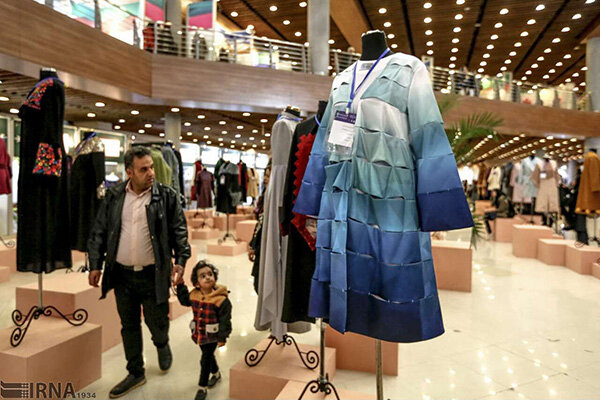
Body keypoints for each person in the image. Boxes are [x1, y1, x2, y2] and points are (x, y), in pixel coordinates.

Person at [88, 146, 190, 398]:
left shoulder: (166, 196)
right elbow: (99, 230)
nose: (151, 173)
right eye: (144, 169)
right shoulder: (114, 196)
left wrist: (181, 260)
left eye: (152, 167)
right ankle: (135, 371)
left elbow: (179, 231)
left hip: (152, 275)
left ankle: (162, 343)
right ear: (129, 172)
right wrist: (95, 264)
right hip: (121, 275)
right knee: (129, 325)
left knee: (157, 322)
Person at [176, 261, 232, 400]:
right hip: (199, 334)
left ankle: (202, 387)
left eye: (210, 274)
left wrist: (222, 337)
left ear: (215, 277)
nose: (207, 277)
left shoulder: (221, 299)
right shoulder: (194, 295)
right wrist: (180, 285)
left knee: (205, 359)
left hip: (213, 336)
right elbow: (184, 300)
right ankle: (216, 374)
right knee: (208, 356)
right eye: (202, 276)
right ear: (197, 283)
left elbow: (225, 321)